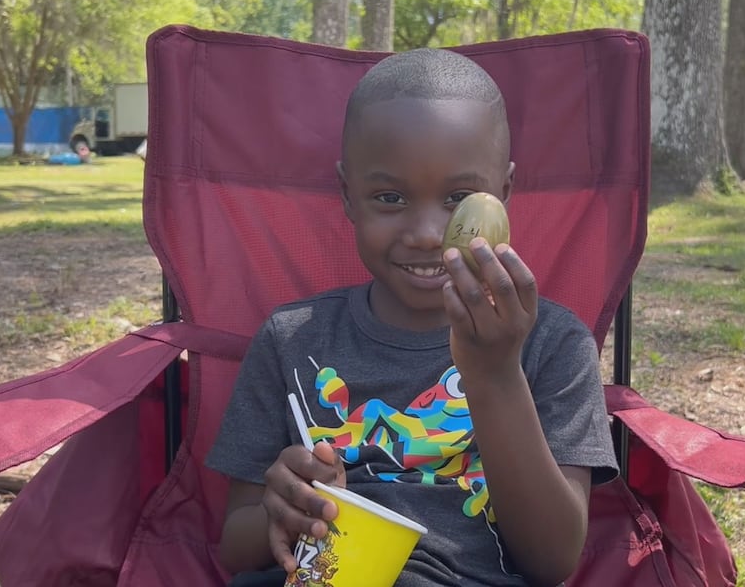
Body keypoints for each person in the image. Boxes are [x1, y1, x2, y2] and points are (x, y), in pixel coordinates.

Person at [205, 48, 619, 587]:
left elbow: (552, 560)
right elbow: (236, 548)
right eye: (390, 197)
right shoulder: (292, 340)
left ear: (504, 195)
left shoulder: (553, 344)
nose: (426, 234)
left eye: (459, 199)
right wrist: (283, 511)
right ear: (348, 196)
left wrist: (495, 374)